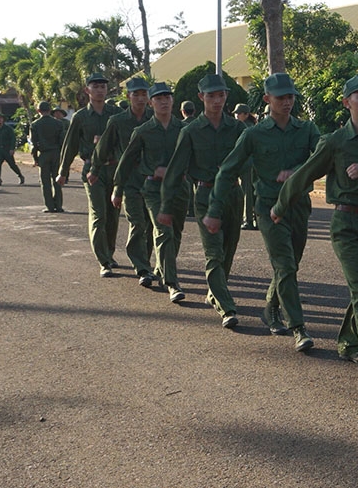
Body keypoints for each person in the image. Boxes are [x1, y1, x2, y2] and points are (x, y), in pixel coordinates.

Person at [272, 74, 358, 380]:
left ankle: (347, 341)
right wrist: (281, 205)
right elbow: (305, 174)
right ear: (347, 103)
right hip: (346, 224)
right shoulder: (335, 141)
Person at [206, 73, 320, 352]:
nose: (287, 102)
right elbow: (227, 171)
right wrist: (214, 209)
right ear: (267, 99)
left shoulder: (307, 130)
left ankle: (270, 308)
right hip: (269, 209)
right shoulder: (253, 134)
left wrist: (297, 173)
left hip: (298, 206)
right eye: (281, 97)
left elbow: (323, 159)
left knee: (290, 263)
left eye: (291, 96)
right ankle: (299, 327)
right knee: (286, 265)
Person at [160, 74, 244, 328]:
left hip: (233, 194)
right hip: (206, 195)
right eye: (211, 96)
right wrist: (165, 207)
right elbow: (175, 171)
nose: (217, 100)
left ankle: (216, 291)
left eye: (221, 95)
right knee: (214, 252)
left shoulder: (238, 128)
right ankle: (226, 307)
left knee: (229, 249)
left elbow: (252, 157)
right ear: (201, 97)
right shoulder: (191, 131)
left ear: (226, 96)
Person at [114, 82, 190, 302]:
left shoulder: (185, 129)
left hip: (180, 188)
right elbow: (128, 162)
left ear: (173, 100)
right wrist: (118, 189)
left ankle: (162, 268)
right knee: (163, 231)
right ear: (151, 103)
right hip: (154, 189)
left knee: (175, 233)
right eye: (158, 98)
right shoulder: (143, 131)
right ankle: (172, 283)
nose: (164, 101)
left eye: (167, 97)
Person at [58, 71, 121, 278]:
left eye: (103, 86)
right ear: (87, 90)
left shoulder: (115, 114)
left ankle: (110, 254)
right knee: (98, 214)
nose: (100, 90)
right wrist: (63, 171)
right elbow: (70, 146)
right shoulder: (81, 117)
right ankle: (103, 261)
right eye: (96, 86)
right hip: (91, 170)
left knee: (113, 215)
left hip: (114, 168)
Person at [91, 77, 153, 284]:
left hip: (152, 180)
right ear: (129, 96)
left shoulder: (154, 118)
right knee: (137, 222)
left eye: (144, 94)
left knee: (152, 224)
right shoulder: (117, 121)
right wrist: (95, 170)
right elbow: (103, 149)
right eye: (136, 94)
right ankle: (142, 268)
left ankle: (147, 261)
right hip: (129, 179)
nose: (141, 98)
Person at [30, 101, 65, 212]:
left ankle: (49, 206)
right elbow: (62, 141)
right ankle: (58, 205)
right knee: (57, 181)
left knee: (45, 182)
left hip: (43, 154)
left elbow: (34, 143)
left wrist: (35, 158)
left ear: (38, 111)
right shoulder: (59, 123)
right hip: (56, 153)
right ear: (50, 111)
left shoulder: (35, 125)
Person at [232, 102, 257, 229]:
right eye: (236, 113)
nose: (236, 115)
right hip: (250, 163)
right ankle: (253, 220)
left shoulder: (245, 128)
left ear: (246, 115)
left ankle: (248, 219)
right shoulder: (248, 126)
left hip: (247, 164)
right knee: (252, 192)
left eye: (239, 113)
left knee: (247, 192)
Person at [0, 112, 25, 186]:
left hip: (7, 149)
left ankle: (20, 175)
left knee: (12, 165)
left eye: (0, 118)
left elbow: (13, 139)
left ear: (3, 119)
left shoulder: (8, 129)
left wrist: (12, 149)